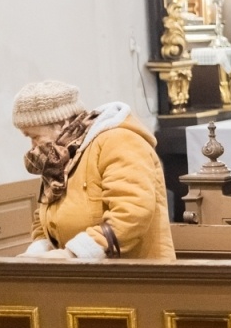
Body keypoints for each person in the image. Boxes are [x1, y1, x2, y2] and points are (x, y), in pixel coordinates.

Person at [12, 81, 173, 259]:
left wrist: (73, 253)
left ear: (62, 124)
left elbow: (132, 213)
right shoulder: (62, 155)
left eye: (35, 137)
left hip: (134, 277)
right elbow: (44, 216)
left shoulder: (119, 141)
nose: (33, 147)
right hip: (82, 277)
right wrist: (40, 250)